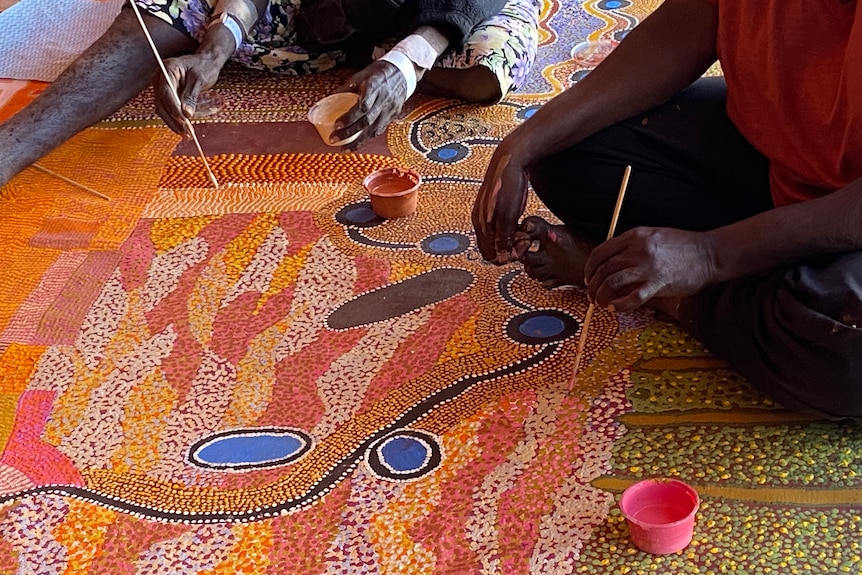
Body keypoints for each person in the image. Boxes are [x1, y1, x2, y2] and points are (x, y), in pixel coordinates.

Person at [472, 0, 862, 418]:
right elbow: (688, 23)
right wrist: (522, 145)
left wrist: (710, 254)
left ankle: (676, 299)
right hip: (786, 158)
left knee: (843, 338)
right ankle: (754, 283)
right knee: (569, 148)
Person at [0, 0, 539, 188]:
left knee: (489, 66)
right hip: (313, 11)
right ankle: (11, 149)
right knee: (166, 6)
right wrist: (215, 45)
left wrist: (407, 61)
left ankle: (369, 56)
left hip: (432, 13)